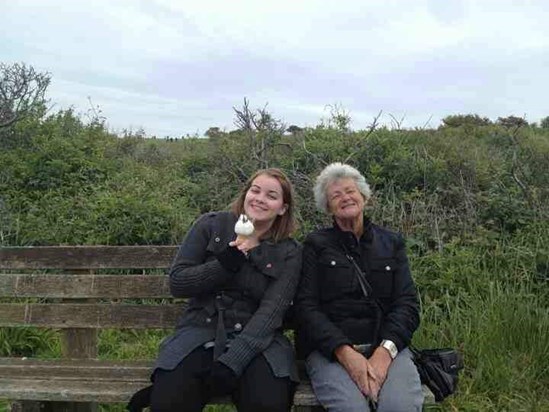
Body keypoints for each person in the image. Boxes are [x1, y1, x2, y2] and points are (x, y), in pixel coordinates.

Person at [128, 168, 301, 412]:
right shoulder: (211, 226)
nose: (260, 199)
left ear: (282, 208)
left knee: (267, 403)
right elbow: (178, 283)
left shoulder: (289, 251)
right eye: (255, 190)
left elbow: (272, 312)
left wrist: (233, 361)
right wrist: (224, 265)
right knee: (170, 402)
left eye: (271, 195)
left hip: (259, 341)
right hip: (200, 331)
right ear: (245, 194)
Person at [295, 163, 423, 412]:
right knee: (351, 408)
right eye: (336, 195)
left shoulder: (391, 242)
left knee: (400, 407)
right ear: (328, 207)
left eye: (350, 191)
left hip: (385, 345)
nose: (345, 198)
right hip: (330, 351)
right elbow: (306, 308)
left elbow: (406, 304)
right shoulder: (315, 245)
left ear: (363, 195)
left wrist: (384, 353)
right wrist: (345, 353)